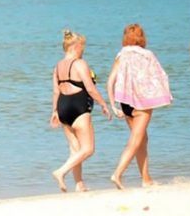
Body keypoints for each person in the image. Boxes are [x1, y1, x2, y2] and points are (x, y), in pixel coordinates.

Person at [107, 24, 172, 190]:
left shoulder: (121, 55)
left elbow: (110, 80)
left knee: (142, 140)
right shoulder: (147, 55)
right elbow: (160, 76)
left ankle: (146, 179)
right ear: (141, 37)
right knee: (136, 139)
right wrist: (163, 95)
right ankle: (117, 173)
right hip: (142, 102)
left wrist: (113, 104)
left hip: (125, 101)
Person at [50, 30, 111, 192]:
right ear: (76, 46)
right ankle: (61, 172)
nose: (83, 50)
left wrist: (54, 111)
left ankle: (79, 184)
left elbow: (56, 92)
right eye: (82, 47)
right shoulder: (80, 64)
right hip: (78, 106)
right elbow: (90, 88)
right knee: (88, 149)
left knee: (75, 150)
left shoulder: (57, 67)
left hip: (63, 107)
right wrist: (103, 104)